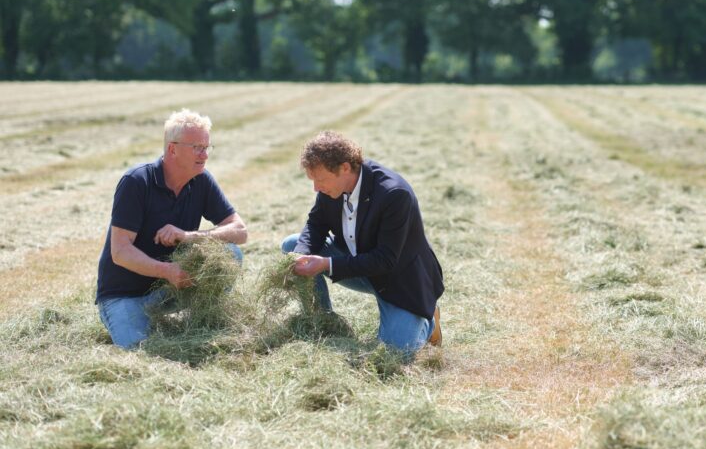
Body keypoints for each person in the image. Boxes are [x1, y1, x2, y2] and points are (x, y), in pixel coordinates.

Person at [95, 109, 247, 348]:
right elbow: (120, 251)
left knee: (231, 253)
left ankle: (204, 318)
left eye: (207, 147)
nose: (204, 155)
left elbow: (240, 231)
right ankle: (135, 322)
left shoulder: (201, 180)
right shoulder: (136, 182)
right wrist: (167, 271)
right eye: (197, 147)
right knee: (139, 352)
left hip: (170, 290)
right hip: (125, 295)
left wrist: (189, 236)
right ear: (172, 149)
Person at [282, 131, 444, 354]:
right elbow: (316, 224)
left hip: (399, 279)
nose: (316, 188)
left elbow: (385, 259)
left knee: (396, 352)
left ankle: (428, 320)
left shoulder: (394, 194)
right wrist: (301, 254)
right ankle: (321, 320)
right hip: (359, 264)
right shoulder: (332, 188)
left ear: (345, 168)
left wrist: (326, 264)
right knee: (292, 245)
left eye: (320, 180)